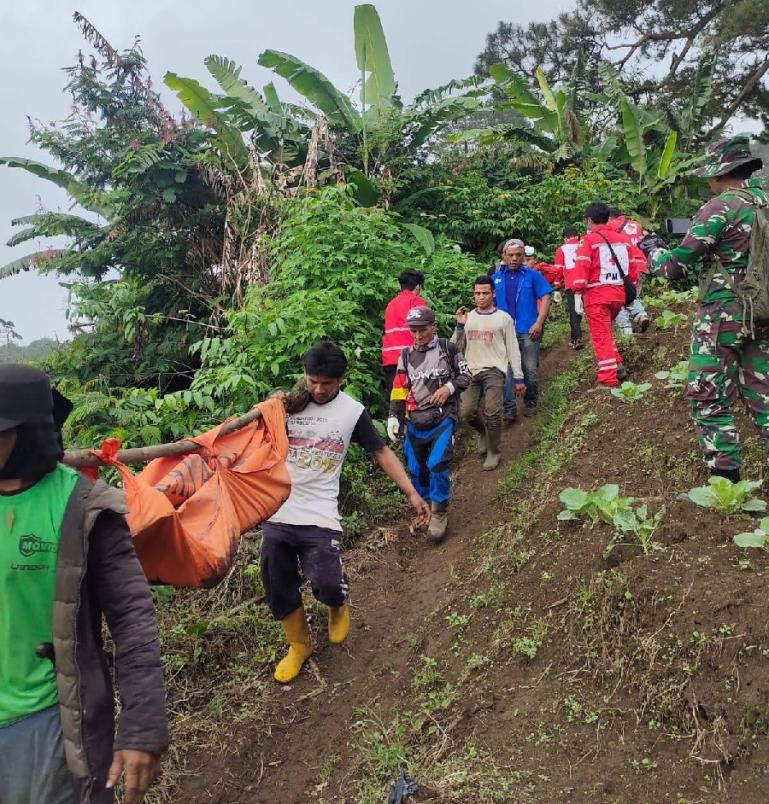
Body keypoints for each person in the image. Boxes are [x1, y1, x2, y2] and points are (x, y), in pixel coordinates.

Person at [0, 364, 168, 804]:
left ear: (30, 432)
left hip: (44, 724)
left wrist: (142, 726)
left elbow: (132, 616)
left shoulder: (84, 508)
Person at [263, 341, 430, 684]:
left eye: (328, 383)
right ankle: (299, 644)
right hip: (280, 509)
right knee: (275, 579)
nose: (319, 389)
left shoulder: (352, 412)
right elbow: (258, 438)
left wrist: (412, 493)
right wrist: (273, 404)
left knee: (327, 581)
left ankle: (337, 604)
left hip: (320, 512)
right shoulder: (289, 405)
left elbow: (381, 452)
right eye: (312, 381)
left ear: (342, 378)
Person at [651, 135, 767, 482]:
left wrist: (654, 250)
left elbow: (674, 268)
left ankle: (726, 482)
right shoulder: (764, 202)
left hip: (723, 317)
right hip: (762, 313)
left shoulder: (720, 206)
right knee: (762, 394)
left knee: (708, 395)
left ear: (721, 174)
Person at [388, 306, 471, 540]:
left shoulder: (448, 349)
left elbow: (466, 375)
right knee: (416, 469)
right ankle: (423, 505)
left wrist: (448, 388)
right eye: (413, 331)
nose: (417, 336)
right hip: (414, 421)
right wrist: (394, 415)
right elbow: (399, 387)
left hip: (443, 418)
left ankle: (439, 511)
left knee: (437, 464)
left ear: (433, 327)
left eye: (422, 330)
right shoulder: (405, 355)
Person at [567, 202, 646, 387]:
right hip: (618, 295)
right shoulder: (622, 239)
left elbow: (581, 270)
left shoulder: (588, 240)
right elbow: (633, 267)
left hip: (597, 297)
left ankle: (608, 379)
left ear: (589, 220)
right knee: (606, 332)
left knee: (600, 337)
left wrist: (577, 291)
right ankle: (617, 364)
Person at [452, 276, 524, 470]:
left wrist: (518, 376)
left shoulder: (503, 318)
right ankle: (483, 432)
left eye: (485, 293)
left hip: (494, 369)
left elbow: (513, 348)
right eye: (477, 293)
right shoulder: (468, 318)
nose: (481, 297)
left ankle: (493, 450)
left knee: (493, 412)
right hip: (470, 370)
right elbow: (454, 347)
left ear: (493, 294)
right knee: (466, 412)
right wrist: (459, 326)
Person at [491, 239, 553, 420]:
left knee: (530, 369)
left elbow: (546, 296)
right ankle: (509, 408)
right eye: (510, 255)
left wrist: (539, 323)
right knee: (505, 371)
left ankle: (531, 402)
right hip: (504, 332)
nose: (514, 258)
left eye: (519, 255)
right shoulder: (496, 279)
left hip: (528, 330)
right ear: (503, 256)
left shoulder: (532, 276)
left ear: (524, 256)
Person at [382, 269, 427, 398]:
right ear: (418, 286)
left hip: (390, 360)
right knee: (415, 400)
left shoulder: (391, 304)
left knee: (396, 400)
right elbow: (424, 330)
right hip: (411, 359)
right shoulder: (416, 302)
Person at [608, 206, 650, 335]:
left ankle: (625, 329)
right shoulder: (636, 225)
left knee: (619, 297)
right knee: (632, 295)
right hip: (641, 265)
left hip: (624, 266)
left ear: (610, 217)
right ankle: (640, 314)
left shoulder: (610, 226)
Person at [554, 226, 584, 349]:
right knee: (580, 309)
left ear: (565, 239)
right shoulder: (584, 245)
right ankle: (574, 337)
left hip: (572, 285)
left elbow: (558, 270)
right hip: (586, 283)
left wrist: (557, 287)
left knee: (574, 311)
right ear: (577, 236)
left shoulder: (561, 249)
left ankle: (577, 339)